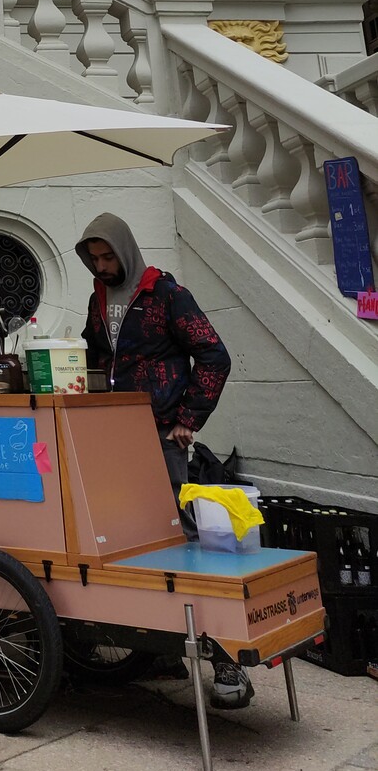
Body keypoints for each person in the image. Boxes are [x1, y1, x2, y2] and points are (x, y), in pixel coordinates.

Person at [75, 213, 252, 710]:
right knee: (129, 538)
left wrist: (189, 418)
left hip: (161, 433)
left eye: (108, 256)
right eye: (94, 257)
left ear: (126, 251)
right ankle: (160, 648)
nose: (101, 265)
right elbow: (94, 355)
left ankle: (226, 659)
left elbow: (214, 355)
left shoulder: (167, 294)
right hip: (114, 434)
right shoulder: (97, 298)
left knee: (184, 539)